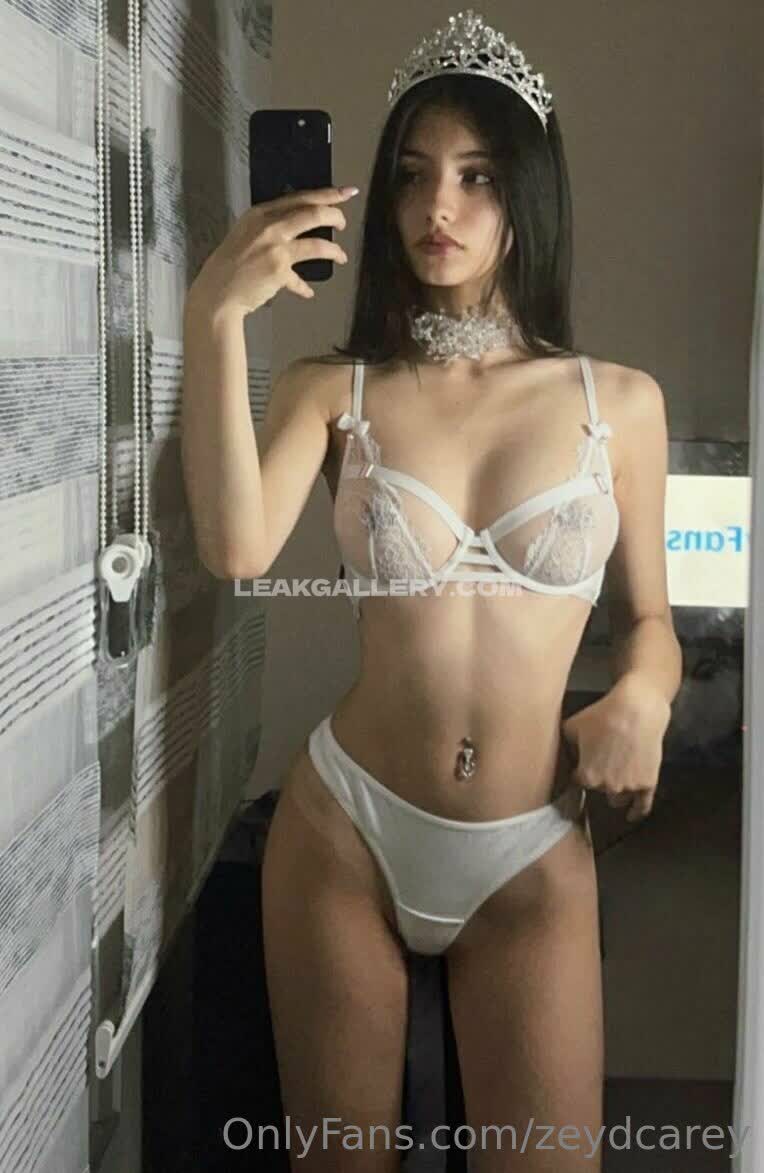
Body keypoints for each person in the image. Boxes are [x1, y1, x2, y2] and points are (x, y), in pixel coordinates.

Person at [181, 9, 683, 1170]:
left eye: (474, 175)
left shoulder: (619, 402)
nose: (435, 208)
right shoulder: (332, 388)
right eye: (411, 176)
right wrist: (216, 311)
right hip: (344, 830)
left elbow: (649, 624)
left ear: (525, 196)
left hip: (530, 845)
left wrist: (643, 699)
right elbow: (237, 549)